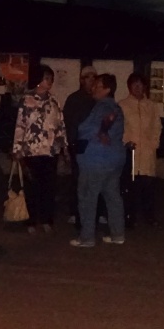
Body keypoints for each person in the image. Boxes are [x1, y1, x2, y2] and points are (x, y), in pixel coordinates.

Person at [70, 73, 126, 247]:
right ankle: (117, 234)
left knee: (88, 196)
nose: (93, 88)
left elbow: (90, 129)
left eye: (97, 86)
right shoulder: (117, 108)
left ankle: (87, 237)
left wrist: (80, 129)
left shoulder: (101, 107)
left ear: (107, 89)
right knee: (113, 196)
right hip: (114, 158)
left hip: (96, 158)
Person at [12, 63, 67, 233]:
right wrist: (17, 148)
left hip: (50, 150)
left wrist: (64, 146)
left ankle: (46, 219)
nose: (49, 81)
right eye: (46, 78)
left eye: (51, 79)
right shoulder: (26, 100)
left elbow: (60, 125)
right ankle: (31, 220)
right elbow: (20, 125)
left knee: (48, 186)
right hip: (31, 150)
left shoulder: (54, 101)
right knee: (31, 187)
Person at [119, 71, 163, 227]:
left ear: (145, 87)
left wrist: (154, 144)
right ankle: (129, 216)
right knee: (130, 186)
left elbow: (157, 126)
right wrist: (124, 142)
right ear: (129, 87)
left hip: (147, 151)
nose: (137, 88)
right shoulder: (122, 105)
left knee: (148, 186)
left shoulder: (151, 106)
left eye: (140, 85)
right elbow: (119, 127)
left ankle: (149, 216)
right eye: (134, 85)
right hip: (130, 151)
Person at [62, 65, 97, 225]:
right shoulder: (74, 99)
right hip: (78, 143)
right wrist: (68, 145)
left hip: (95, 145)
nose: (91, 80)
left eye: (93, 77)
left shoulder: (98, 98)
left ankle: (94, 211)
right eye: (88, 77)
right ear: (82, 80)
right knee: (77, 178)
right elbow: (68, 123)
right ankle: (74, 211)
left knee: (95, 179)